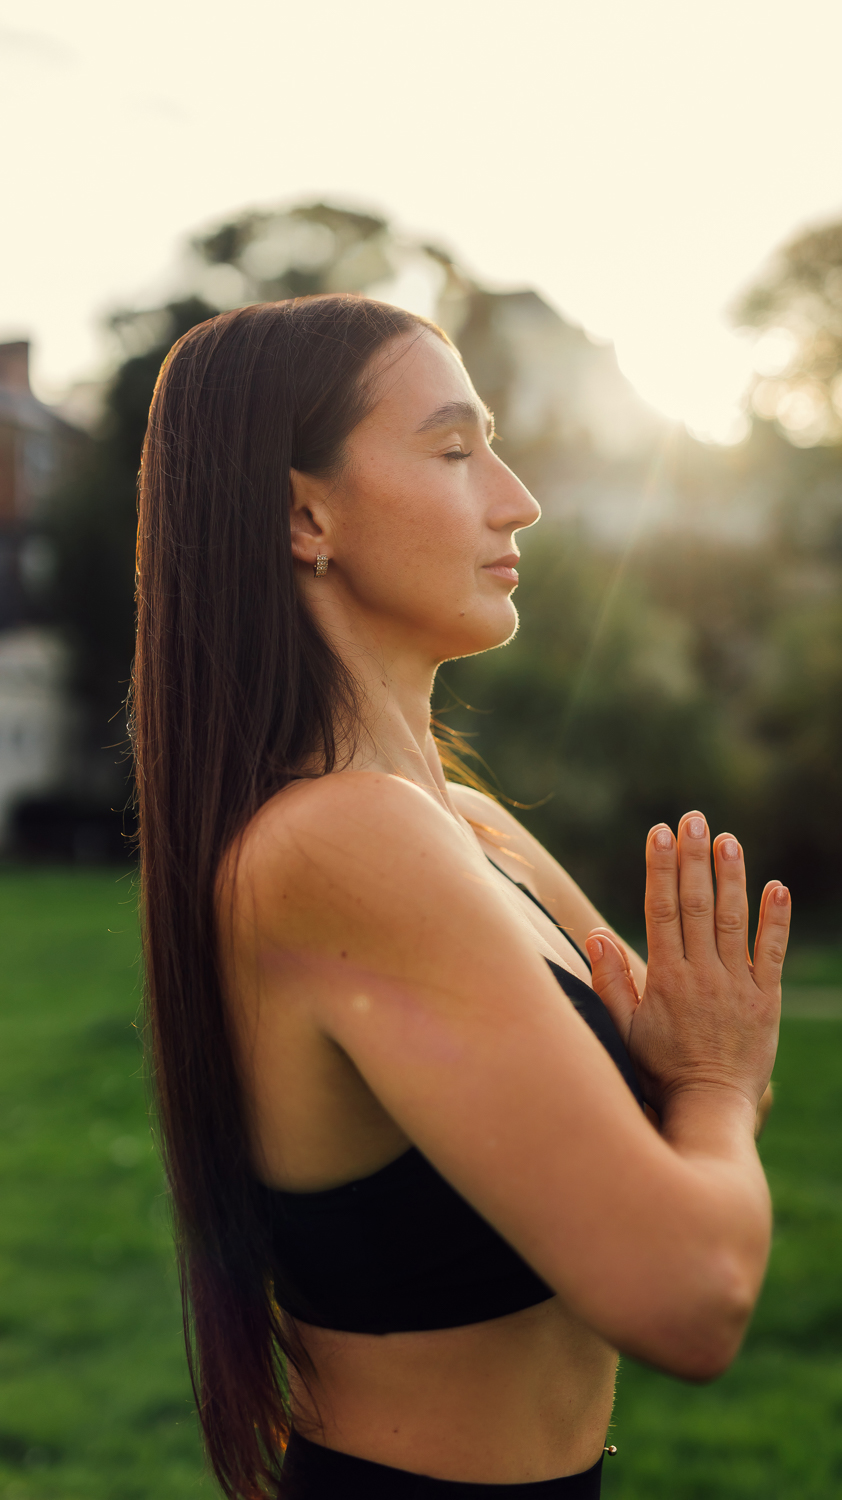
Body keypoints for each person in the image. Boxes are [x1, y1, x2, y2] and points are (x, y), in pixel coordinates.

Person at [133, 294, 789, 1500]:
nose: (516, 497)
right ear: (303, 513)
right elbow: (691, 1295)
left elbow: (640, 1151)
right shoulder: (342, 841)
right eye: (453, 449)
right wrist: (713, 1086)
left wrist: (684, 1081)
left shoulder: (464, 823)